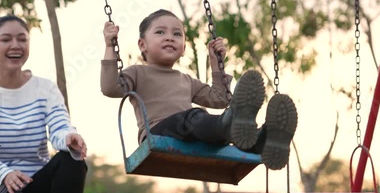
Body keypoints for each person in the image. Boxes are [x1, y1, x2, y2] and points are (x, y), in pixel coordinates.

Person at [101, 9, 298, 170]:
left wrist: (215, 62)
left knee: (212, 129)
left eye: (177, 34)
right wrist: (110, 45)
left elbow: (220, 99)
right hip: (158, 131)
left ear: (184, 47)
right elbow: (110, 87)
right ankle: (228, 123)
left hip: (192, 132)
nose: (169, 37)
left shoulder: (186, 80)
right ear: (142, 45)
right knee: (195, 117)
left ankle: (263, 140)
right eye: (160, 32)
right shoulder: (137, 73)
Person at [0, 15, 88, 193]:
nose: (15, 45)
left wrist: (68, 137)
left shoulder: (45, 89)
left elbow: (60, 126)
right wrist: (4, 173)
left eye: (22, 39)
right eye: (6, 39)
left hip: (37, 184)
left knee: (72, 161)